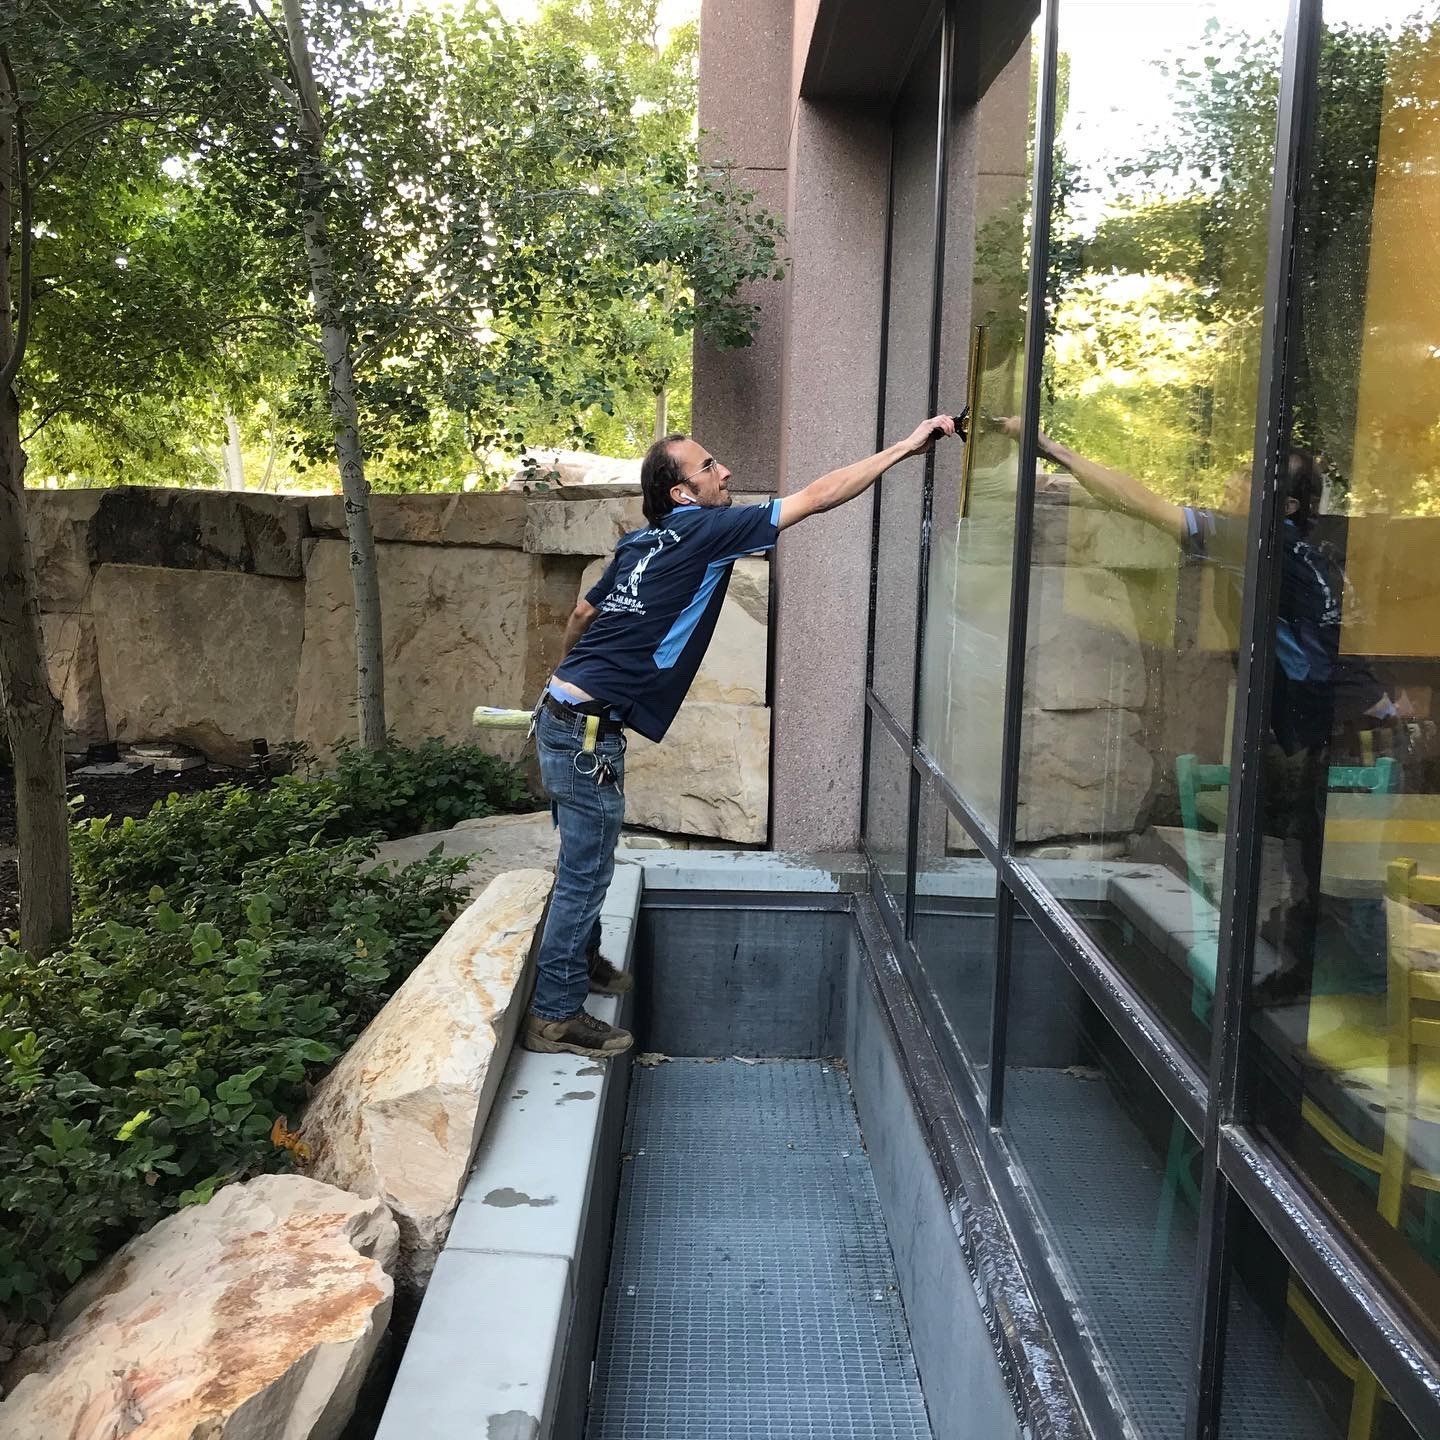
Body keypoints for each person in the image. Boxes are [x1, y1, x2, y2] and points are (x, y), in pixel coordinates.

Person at [523, 414, 959, 1058]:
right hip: (585, 736)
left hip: (563, 719)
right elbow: (818, 495)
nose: (724, 472)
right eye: (708, 467)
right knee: (585, 875)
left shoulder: (643, 544)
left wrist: (563, 677)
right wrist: (904, 447)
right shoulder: (706, 530)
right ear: (681, 493)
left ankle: (579, 964)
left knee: (584, 862)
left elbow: (583, 612)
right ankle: (555, 1015)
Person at [1001, 419, 1400, 998]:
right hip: (1355, 727)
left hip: (1354, 737)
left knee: (1348, 879)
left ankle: (1365, 1014)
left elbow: (1146, 506)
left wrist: (1053, 447)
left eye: (1250, 480)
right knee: (1318, 863)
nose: (1235, 483)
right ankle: (1314, 974)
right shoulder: (1306, 551)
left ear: (1285, 505)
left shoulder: (1261, 542)